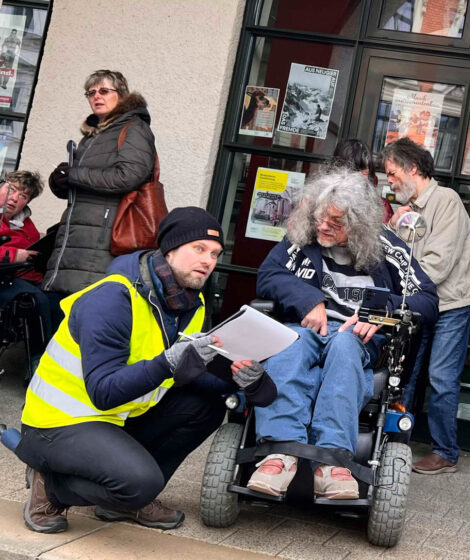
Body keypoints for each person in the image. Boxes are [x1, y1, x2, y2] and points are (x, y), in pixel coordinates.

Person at [14, 207, 276, 534]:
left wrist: (247, 382)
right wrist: (168, 362)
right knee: (140, 482)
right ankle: (51, 488)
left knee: (206, 408)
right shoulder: (112, 298)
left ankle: (123, 501)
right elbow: (105, 391)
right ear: (169, 250)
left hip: (115, 419)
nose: (209, 261)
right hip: (58, 422)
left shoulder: (191, 306)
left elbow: (197, 377)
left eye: (215, 254)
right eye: (199, 249)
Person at [248, 168, 437, 499]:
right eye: (321, 217)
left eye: (335, 223)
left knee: (344, 349)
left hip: (356, 337)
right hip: (305, 329)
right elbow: (268, 274)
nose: (323, 226)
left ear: (359, 223)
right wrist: (308, 300)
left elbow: (427, 298)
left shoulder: (386, 246)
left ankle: (333, 462)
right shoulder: (302, 237)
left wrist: (383, 310)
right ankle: (280, 453)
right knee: (290, 348)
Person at [383, 137, 470, 475]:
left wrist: (402, 294)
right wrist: (392, 226)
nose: (389, 181)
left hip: (449, 304)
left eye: (393, 174)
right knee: (402, 374)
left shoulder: (446, 201)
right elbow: (392, 258)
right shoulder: (405, 211)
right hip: (419, 303)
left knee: (440, 378)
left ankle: (445, 452)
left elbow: (438, 263)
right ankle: (393, 442)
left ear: (412, 169)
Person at [43, 69, 157, 297]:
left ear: (122, 94)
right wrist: (60, 181)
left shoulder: (133, 128)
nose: (96, 96)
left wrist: (75, 175)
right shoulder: (94, 134)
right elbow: (84, 188)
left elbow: (129, 176)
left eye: (104, 91)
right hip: (77, 238)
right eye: (91, 92)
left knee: (81, 309)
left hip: (103, 242)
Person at [0, 171, 58, 339]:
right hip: (4, 277)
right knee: (36, 300)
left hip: (28, 276)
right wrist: (15, 255)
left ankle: (56, 354)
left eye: (23, 196)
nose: (15, 198)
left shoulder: (25, 223)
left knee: (58, 299)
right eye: (12, 190)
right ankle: (37, 357)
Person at [330, 138, 393, 224]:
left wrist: (391, 225)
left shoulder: (380, 206)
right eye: (353, 170)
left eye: (363, 171)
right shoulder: (321, 200)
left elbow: (384, 235)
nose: (358, 178)